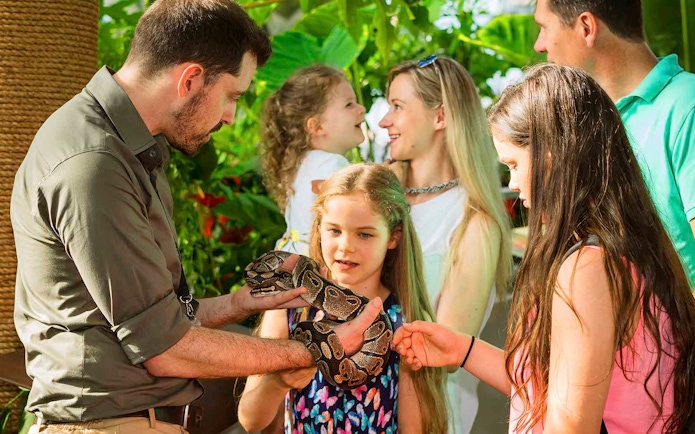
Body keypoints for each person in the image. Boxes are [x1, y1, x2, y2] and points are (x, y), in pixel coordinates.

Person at [10, 1, 380, 433]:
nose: (230, 116)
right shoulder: (95, 163)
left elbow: (150, 316)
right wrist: (315, 349)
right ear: (189, 80)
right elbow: (165, 348)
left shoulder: (129, 148)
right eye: (232, 96)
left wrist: (238, 304)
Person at [393, 64, 695, 433]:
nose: (513, 182)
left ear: (552, 156)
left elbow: (570, 423)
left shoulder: (587, 267)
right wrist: (462, 349)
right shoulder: (626, 250)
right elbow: (550, 389)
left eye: (514, 164)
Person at [238, 164, 448, 434]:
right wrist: (277, 383)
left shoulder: (406, 324)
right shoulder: (288, 309)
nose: (345, 246)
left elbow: (414, 428)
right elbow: (250, 420)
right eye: (334, 230)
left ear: (393, 236)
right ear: (319, 229)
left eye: (364, 234)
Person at [378, 54, 512, 433]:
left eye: (398, 107)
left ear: (440, 117)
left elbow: (446, 352)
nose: (385, 121)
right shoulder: (377, 199)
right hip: (354, 408)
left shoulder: (474, 222)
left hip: (428, 416)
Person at [533, 0, 695, 287]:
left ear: (586, 27)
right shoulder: (585, 123)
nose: (539, 45)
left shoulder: (687, 107)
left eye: (544, 27)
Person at [260, 64, 366, 255]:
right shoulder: (330, 165)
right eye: (349, 104)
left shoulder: (301, 163)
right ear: (316, 126)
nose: (362, 109)